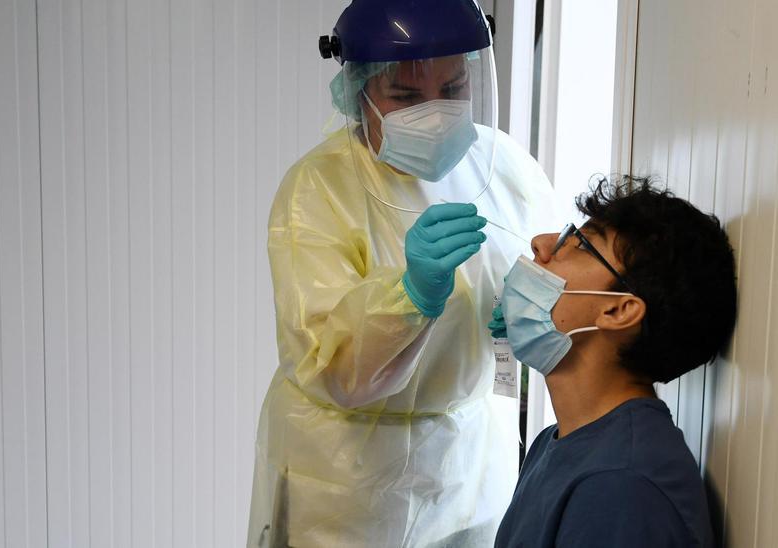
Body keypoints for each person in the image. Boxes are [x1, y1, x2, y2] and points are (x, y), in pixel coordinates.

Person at [247, 1, 558, 547]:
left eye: (455, 87)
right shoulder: (317, 190)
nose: (436, 111)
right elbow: (332, 365)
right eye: (407, 97)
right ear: (357, 89)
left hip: (470, 467)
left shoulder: (504, 167)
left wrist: (537, 313)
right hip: (348, 481)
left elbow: (554, 273)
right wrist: (410, 296)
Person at [490, 176, 738, 548]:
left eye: (579, 244)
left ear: (620, 310)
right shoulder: (558, 442)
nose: (541, 244)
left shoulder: (621, 486)